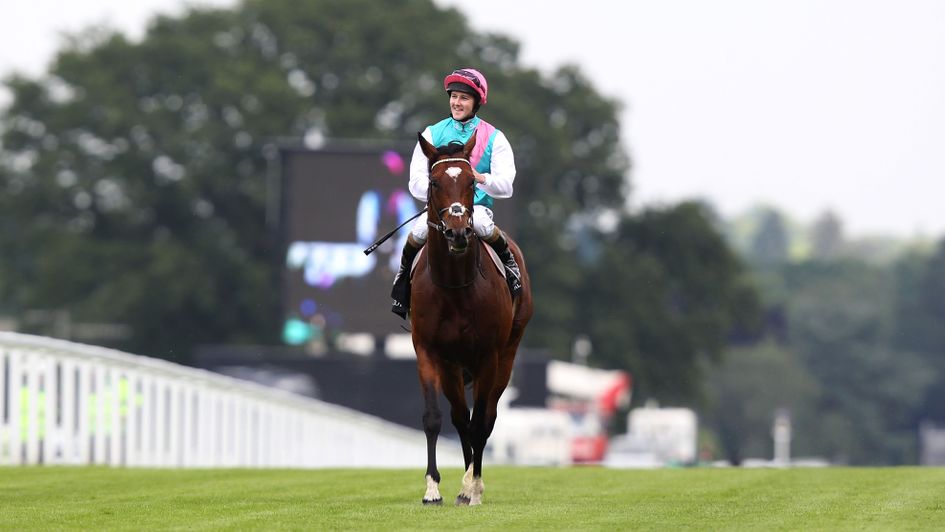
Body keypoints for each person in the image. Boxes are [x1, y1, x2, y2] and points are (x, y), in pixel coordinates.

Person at [390, 67, 522, 319]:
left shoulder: (495, 138)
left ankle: (511, 269)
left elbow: (506, 186)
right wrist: (441, 188)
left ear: (476, 102)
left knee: (482, 224)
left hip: (476, 207)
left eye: (464, 98)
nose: (457, 102)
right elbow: (415, 181)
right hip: (439, 209)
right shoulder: (432, 133)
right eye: (454, 96)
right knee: (417, 231)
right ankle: (401, 281)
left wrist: (477, 177)